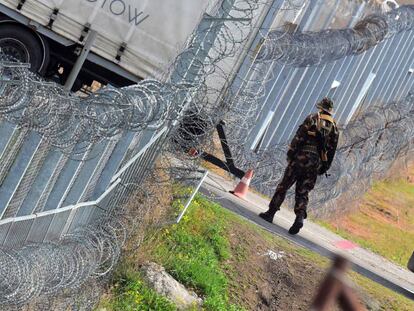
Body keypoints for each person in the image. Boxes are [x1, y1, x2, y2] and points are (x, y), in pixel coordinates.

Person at [259, 97, 339, 234]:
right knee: (303, 191)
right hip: (315, 163)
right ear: (331, 111)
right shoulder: (335, 127)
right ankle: (299, 218)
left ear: (320, 107)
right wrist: (324, 166)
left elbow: (299, 137)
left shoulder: (313, 118)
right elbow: (331, 151)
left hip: (301, 157)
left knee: (284, 185)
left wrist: (291, 155)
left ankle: (271, 213)